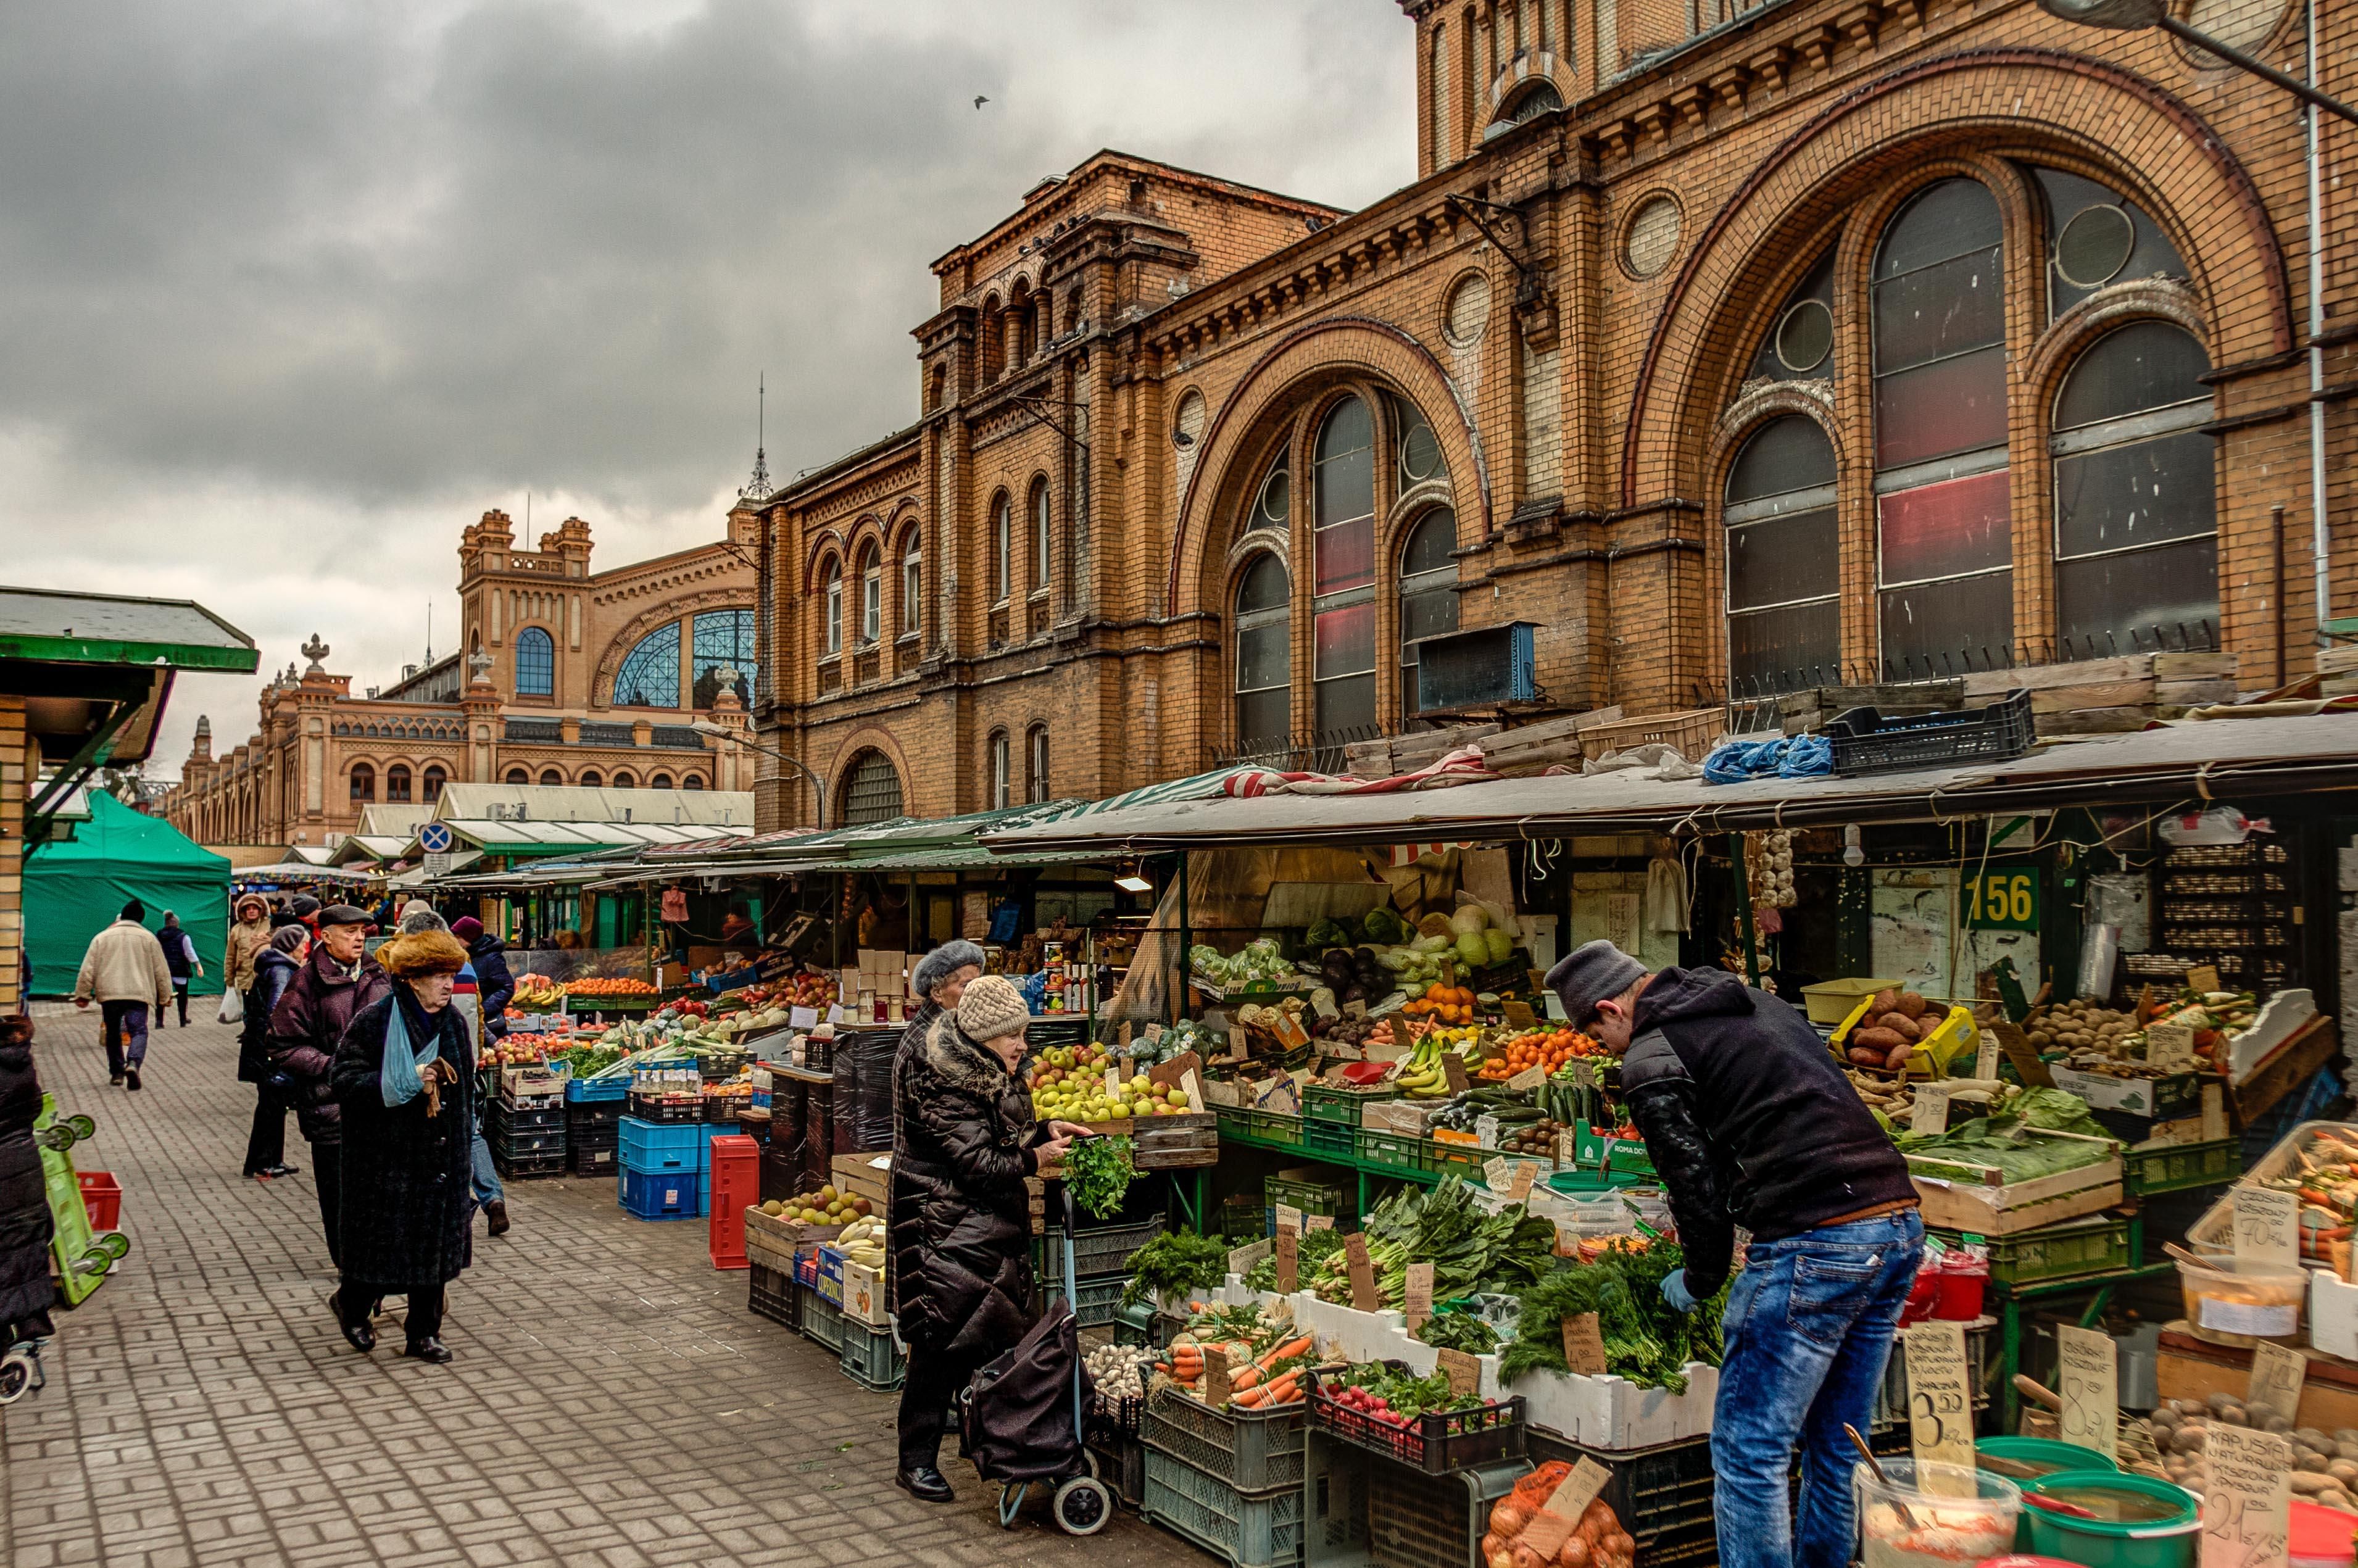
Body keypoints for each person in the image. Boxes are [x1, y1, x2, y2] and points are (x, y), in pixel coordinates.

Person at [1546, 940, 1921, 1568]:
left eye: (1595, 1034)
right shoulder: (1748, 1001)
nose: (1603, 1050)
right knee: (1835, 1441)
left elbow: (1692, 1185)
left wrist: (1700, 1276)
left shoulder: (1650, 1057)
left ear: (1610, 1008)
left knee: (1750, 1450)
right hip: (1897, 1226)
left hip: (1813, 1241)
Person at [887, 972, 1085, 1503]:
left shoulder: (996, 1070)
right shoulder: (943, 1077)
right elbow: (976, 1161)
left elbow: (1005, 1134)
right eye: (1010, 1035)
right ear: (980, 1037)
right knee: (940, 1347)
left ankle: (1000, 1448)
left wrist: (1046, 1132)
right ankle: (915, 1462)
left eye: (1022, 1033)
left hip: (981, 1230)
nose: (1022, 1044)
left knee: (989, 1341)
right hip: (943, 1227)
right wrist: (1034, 1158)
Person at [329, 927, 476, 1364]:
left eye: (451, 974)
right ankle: (351, 1305)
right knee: (383, 1250)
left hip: (441, 1155)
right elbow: (343, 1078)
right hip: (385, 1158)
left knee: (432, 1252)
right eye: (437, 975)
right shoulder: (375, 1020)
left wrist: (465, 1150)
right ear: (411, 978)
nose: (448, 984)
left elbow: (466, 1091)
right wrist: (403, 1080)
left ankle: (423, 1333)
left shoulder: (456, 1023)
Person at [268, 905, 389, 1268]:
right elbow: (281, 1045)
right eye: (350, 931)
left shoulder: (377, 974)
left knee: (379, 1196)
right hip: (331, 1108)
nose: (359, 937)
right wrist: (333, 1067)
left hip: (380, 1105)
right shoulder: (304, 983)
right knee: (339, 1199)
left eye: (362, 931)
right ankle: (350, 1273)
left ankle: (376, 1268)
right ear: (326, 935)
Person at [399, 908, 509, 1239]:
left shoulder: (414, 973)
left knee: (438, 1143)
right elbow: (473, 1016)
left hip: (428, 1072)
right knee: (469, 1134)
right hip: (464, 1066)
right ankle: (492, 1199)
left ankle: (457, 1208)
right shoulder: (466, 969)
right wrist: (478, 1055)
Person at [71, 898, 174, 1090]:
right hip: (138, 995)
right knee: (139, 1031)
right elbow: (161, 970)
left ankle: (117, 1073)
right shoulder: (149, 938)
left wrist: (83, 994)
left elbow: (88, 968)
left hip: (110, 994)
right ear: (141, 919)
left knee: (113, 1033)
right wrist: (165, 996)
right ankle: (133, 1063)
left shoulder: (102, 937)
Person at [0, 1018, 57, 1349]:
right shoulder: (19, 1058)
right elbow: (34, 1106)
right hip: (25, 1164)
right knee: (28, 1241)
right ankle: (34, 1322)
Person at [240, 925, 307, 1182]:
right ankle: (261, 1163)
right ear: (292, 944)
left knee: (274, 1106)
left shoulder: (279, 968)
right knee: (270, 1107)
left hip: (264, 1049)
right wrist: (282, 1046)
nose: (305, 948)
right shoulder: (282, 971)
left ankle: (272, 1159)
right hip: (271, 1052)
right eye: (303, 943)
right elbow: (277, 1011)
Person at [452, 918, 514, 1040]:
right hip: (470, 1019)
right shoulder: (462, 956)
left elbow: (507, 987)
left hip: (491, 1025)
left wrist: (483, 1010)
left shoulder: (492, 958)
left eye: (458, 937)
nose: (455, 941)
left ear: (469, 937)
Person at [157, 910, 204, 1026]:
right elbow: (189, 953)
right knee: (182, 996)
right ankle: (182, 1020)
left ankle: (159, 1022)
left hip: (163, 970)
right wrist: (198, 965)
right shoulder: (183, 936)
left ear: (166, 923)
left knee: (161, 996)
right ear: (177, 924)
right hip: (180, 970)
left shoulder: (158, 935)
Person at [225, 893, 272, 996]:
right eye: (248, 909)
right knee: (246, 1010)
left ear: (260, 910)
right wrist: (229, 980)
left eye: (255, 908)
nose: (251, 911)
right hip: (244, 978)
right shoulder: (237, 930)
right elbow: (230, 956)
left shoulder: (269, 926)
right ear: (243, 911)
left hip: (265, 977)